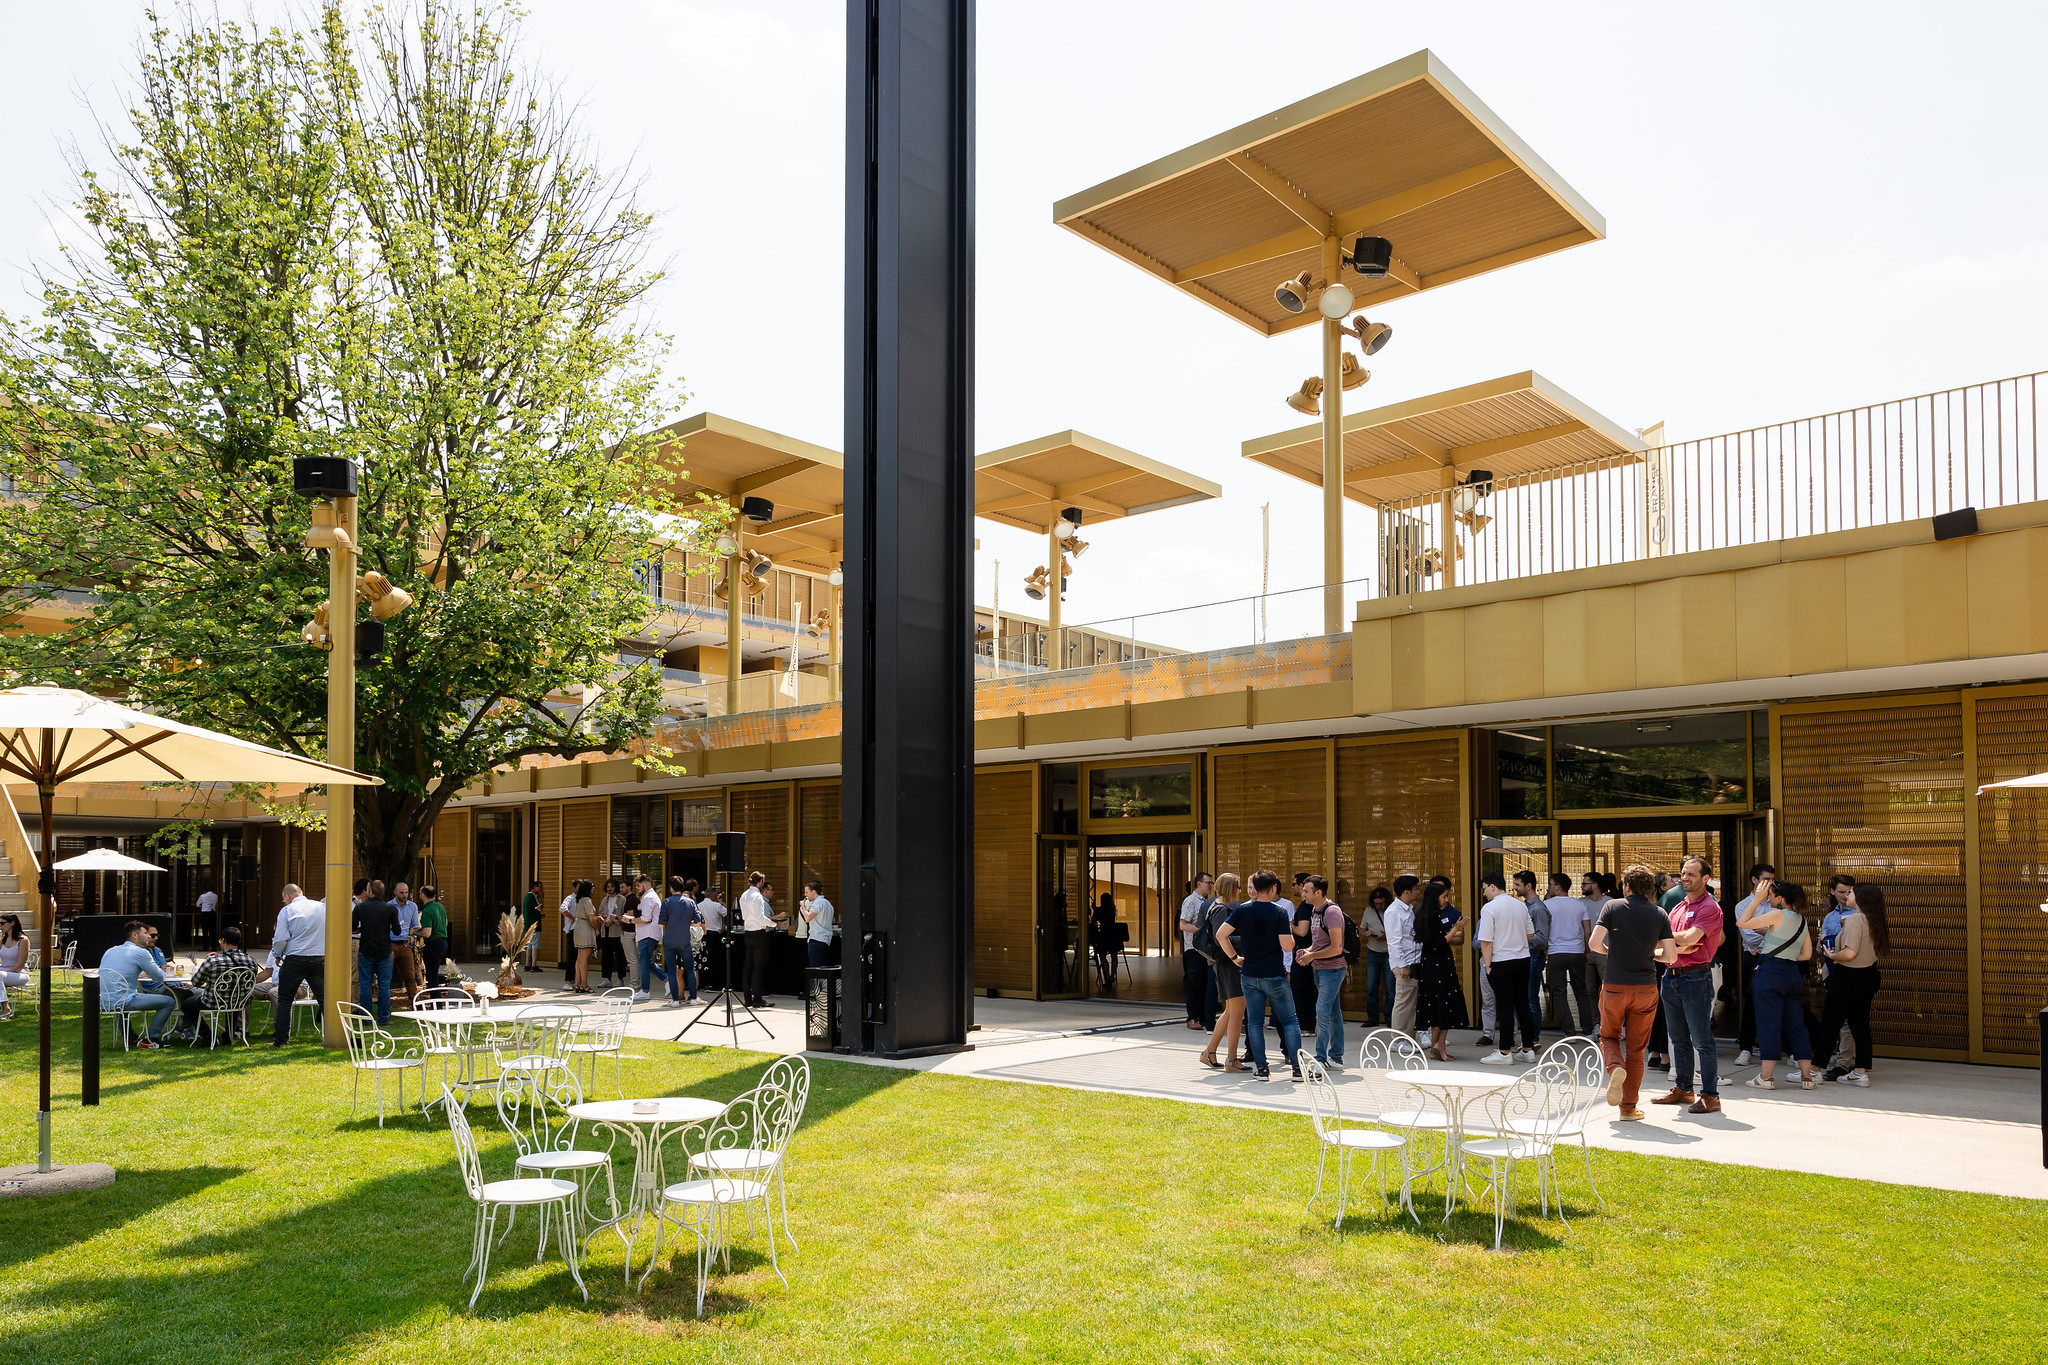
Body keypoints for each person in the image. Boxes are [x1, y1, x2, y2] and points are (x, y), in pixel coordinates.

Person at [1589, 865, 1677, 1120]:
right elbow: (1671, 955)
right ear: (1650, 889)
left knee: (1608, 1036)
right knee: (1637, 1051)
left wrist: (1611, 952)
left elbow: (1594, 943)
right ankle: (1628, 1109)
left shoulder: (1612, 907)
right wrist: (1650, 954)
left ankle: (1615, 1068)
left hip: (1615, 985)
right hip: (1646, 987)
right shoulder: (1660, 914)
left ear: (1626, 886)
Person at [1653, 854, 1726, 1113]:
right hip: (1670, 976)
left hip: (1696, 977)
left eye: (1691, 874)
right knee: (1678, 1038)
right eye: (1683, 873)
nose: (1685, 878)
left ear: (1705, 879)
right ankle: (1684, 1090)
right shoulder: (1679, 907)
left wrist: (1672, 941)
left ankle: (1710, 1095)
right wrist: (1677, 944)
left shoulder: (1710, 907)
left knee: (1702, 1039)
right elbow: (1670, 942)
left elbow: (1688, 937)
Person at [1734, 877, 1821, 1091]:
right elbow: (1806, 954)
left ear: (1780, 898)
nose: (1769, 899)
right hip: (1791, 974)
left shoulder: (1776, 914)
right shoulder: (1801, 920)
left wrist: (1756, 899)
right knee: (1796, 1024)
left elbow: (1742, 923)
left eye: (1771, 896)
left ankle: (1766, 1077)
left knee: (1768, 1024)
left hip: (1771, 973)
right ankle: (1807, 1077)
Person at [1214, 870, 1301, 1082]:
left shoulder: (1242, 910)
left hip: (1250, 974)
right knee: (1290, 1021)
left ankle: (1262, 1069)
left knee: (1254, 1023)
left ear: (1256, 887)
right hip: (1274, 974)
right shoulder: (1279, 912)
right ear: (1273, 888)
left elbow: (1220, 935)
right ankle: (1298, 1070)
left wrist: (1234, 956)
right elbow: (1287, 947)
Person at [1819, 884, 1889, 1087]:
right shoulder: (1873, 919)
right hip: (1868, 976)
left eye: (1851, 892)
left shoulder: (1855, 919)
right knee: (1861, 1026)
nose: (1847, 895)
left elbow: (1849, 953)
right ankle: (1860, 1071)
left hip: (1848, 976)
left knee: (1831, 1024)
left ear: (1860, 897)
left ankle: (1815, 1069)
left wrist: (1832, 955)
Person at [1478, 872, 1538, 1064]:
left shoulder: (1490, 908)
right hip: (1522, 959)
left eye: (1485, 888)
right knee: (1522, 1004)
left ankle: (1504, 1052)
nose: (1484, 893)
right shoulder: (1520, 905)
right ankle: (1528, 1049)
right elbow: (1530, 933)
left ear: (1493, 887)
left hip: (1501, 961)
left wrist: (1488, 966)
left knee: (1504, 1006)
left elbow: (1486, 941)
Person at [1294, 875, 1348, 1069]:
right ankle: (1336, 1057)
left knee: (1322, 1012)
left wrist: (1312, 956)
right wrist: (1307, 951)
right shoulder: (1315, 911)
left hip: (1332, 970)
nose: (1303, 893)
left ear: (1318, 892)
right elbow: (1319, 943)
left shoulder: (1332, 912)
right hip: (1320, 969)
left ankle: (1320, 1059)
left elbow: (1337, 948)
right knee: (1333, 1013)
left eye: (1306, 891)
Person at [1413, 881, 1469, 1062]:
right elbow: (1440, 942)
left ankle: (1435, 1046)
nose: (1446, 900)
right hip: (1439, 965)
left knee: (1436, 1005)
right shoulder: (1434, 915)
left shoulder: (1421, 913)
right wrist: (1456, 928)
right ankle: (1439, 1044)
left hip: (1429, 964)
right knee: (1445, 1003)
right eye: (1444, 896)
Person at [175, 925, 258, 1044]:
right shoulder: (251, 961)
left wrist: (206, 963)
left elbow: (196, 982)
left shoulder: (213, 961)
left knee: (186, 1006)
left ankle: (208, 1036)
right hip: (239, 1002)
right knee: (232, 1003)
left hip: (213, 1002)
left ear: (223, 941)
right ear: (239, 941)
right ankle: (228, 1035)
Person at [1198, 873, 1247, 1072]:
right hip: (1229, 963)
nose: (1241, 891)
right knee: (1237, 1011)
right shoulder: (1220, 909)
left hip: (1227, 963)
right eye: (1238, 887)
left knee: (1231, 1011)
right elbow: (1221, 938)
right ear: (1230, 889)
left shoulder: (1218, 906)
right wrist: (1244, 942)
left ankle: (1209, 1052)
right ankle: (1231, 1059)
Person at [101, 919, 176, 1047]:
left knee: (121, 1000)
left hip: (104, 1001)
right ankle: (150, 1040)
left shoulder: (110, 950)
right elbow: (159, 977)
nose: (148, 936)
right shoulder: (141, 952)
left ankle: (130, 1038)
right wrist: (162, 971)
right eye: (145, 933)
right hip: (125, 1000)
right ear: (135, 935)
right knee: (169, 1002)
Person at [268, 883, 325, 1047]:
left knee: (285, 999)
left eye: (283, 899)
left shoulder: (287, 911)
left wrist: (277, 955)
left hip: (295, 958)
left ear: (287, 896)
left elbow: (280, 938)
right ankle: (332, 1035)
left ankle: (281, 1039)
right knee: (324, 1000)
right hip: (317, 958)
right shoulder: (321, 907)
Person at [1730, 862, 1775, 1065]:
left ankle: (1786, 1049)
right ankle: (1746, 1048)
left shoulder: (1777, 902)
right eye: (1766, 879)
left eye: (1773, 879)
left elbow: (1786, 930)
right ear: (1754, 880)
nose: (1770, 883)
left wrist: (1765, 931)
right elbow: (1751, 938)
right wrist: (1772, 931)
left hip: (1775, 956)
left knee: (1778, 1003)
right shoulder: (1743, 906)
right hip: (1754, 957)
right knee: (1751, 1004)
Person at [1543, 873, 1595, 1036]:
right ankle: (1588, 1030)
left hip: (1556, 952)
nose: (1549, 887)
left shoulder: (1547, 905)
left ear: (1558, 887)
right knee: (1581, 991)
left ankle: (1569, 1032)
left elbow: (1544, 930)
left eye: (1551, 884)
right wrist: (1587, 951)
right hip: (1576, 952)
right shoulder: (1579, 905)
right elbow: (1587, 931)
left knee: (1559, 993)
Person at [351, 879, 400, 1025]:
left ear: (370, 892)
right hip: (384, 950)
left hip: (366, 950)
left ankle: (366, 1018)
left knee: (365, 984)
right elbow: (397, 931)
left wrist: (363, 929)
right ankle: (383, 1018)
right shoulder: (390, 908)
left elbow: (352, 928)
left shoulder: (361, 908)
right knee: (384, 985)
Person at [1386, 875, 1423, 1038]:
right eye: (1415, 889)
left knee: (1411, 1003)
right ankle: (1398, 1039)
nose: (1418, 892)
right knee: (1403, 1002)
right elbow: (1394, 941)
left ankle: (1409, 1037)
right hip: (1404, 963)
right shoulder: (1394, 912)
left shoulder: (1408, 909)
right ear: (1406, 892)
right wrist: (1402, 965)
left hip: (1413, 961)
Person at [1515, 869, 1551, 1036]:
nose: (1515, 888)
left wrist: (1520, 936)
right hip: (1526, 956)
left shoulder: (1538, 909)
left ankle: (1533, 1037)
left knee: (1530, 1000)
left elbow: (1542, 939)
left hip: (1534, 956)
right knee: (1523, 999)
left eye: (1517, 885)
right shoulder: (1526, 907)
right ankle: (1528, 1036)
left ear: (1528, 886)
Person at [1178, 872, 1215, 1031]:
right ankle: (1192, 1018)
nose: (1211, 886)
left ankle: (1203, 1017)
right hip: (1194, 949)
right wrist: (1202, 932)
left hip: (1204, 949)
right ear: (1199, 883)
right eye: (1208, 883)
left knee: (1204, 985)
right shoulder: (1190, 901)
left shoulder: (1206, 901)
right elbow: (1183, 924)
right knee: (1195, 984)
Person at [740, 871, 781, 1007]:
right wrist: (774, 924)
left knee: (747, 966)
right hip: (758, 933)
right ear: (761, 882)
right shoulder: (757, 896)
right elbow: (760, 917)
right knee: (757, 967)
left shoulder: (744, 895)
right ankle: (757, 998)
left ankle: (747, 998)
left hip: (748, 932)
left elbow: (745, 916)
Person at [659, 876, 701, 1006]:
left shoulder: (666, 902)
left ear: (671, 888)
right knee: (690, 969)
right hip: (684, 940)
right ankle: (693, 998)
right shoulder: (690, 902)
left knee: (671, 970)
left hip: (669, 939)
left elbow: (660, 924)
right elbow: (698, 921)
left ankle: (675, 999)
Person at [1358, 885, 1392, 1028]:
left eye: (1381, 903)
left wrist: (1387, 935)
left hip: (1389, 953)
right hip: (1373, 951)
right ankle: (1372, 1017)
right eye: (1376, 903)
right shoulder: (1369, 910)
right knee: (1371, 986)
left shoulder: (1392, 911)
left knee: (1391, 988)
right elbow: (1361, 929)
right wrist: (1365, 933)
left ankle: (1390, 1018)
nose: (1379, 906)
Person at [628, 872, 664, 1002]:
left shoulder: (648, 898)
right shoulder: (650, 896)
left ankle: (645, 990)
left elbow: (645, 919)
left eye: (638, 885)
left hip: (648, 934)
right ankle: (666, 981)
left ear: (645, 884)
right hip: (648, 934)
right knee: (645, 962)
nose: (636, 888)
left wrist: (631, 920)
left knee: (644, 963)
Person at [390, 881, 423, 1001]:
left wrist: (413, 936)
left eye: (406, 892)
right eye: (402, 892)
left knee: (410, 975)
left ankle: (415, 1002)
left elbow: (415, 926)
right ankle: (385, 1003)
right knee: (386, 975)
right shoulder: (389, 906)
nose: (404, 895)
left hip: (405, 944)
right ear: (395, 892)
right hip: (391, 943)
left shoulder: (412, 906)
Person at [598, 878, 629, 988]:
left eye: (611, 886)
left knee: (619, 955)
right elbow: (601, 912)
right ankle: (607, 978)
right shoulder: (604, 900)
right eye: (608, 887)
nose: (610, 889)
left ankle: (621, 978)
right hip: (605, 930)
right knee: (606, 955)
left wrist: (613, 920)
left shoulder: (622, 899)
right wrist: (603, 919)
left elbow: (625, 915)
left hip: (617, 930)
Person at [416, 885, 450, 990]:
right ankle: (436, 1001)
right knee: (434, 972)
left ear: (423, 895)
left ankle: (436, 1002)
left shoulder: (427, 911)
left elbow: (427, 933)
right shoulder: (440, 907)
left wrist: (414, 932)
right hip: (443, 943)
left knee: (431, 976)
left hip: (433, 944)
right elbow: (446, 923)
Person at [800, 878, 837, 969]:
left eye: (807, 892)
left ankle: (818, 984)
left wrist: (803, 906)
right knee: (824, 970)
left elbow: (808, 918)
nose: (805, 895)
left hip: (816, 940)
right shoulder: (828, 904)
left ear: (813, 892)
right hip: (826, 940)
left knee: (816, 969)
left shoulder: (818, 903)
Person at [698, 883, 729, 991]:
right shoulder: (716, 905)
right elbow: (727, 912)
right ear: (712, 895)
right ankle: (715, 983)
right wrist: (722, 903)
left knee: (704, 959)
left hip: (703, 934)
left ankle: (704, 983)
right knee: (715, 960)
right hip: (714, 935)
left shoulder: (699, 905)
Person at [0, 913, 30, 1021]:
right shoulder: (2, 941)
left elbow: (20, 965)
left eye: (2, 923)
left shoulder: (23, 940)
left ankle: (6, 1009)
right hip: (4, 973)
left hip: (20, 974)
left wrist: (6, 972)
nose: (0, 926)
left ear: (12, 923)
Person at [570, 879, 598, 992]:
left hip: (579, 927)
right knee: (584, 958)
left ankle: (579, 984)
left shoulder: (580, 900)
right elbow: (591, 918)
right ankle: (585, 984)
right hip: (586, 928)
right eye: (592, 886)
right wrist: (596, 928)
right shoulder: (587, 900)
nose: (593, 888)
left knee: (580, 957)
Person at [519, 879, 543, 971]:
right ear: (534, 887)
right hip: (534, 923)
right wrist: (541, 898)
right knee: (535, 945)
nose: (541, 889)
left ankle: (527, 964)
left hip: (527, 923)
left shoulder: (526, 897)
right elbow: (539, 908)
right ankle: (534, 965)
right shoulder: (533, 896)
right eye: (539, 887)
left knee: (529, 945)